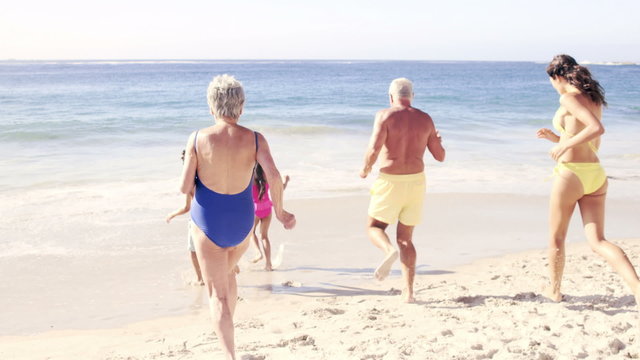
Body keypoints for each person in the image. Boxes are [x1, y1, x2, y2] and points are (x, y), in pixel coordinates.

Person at [179, 74, 296, 360]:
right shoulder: (255, 139)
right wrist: (280, 211)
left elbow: (184, 186)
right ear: (241, 107)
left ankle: (229, 355)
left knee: (216, 294)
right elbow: (275, 177)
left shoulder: (197, 138)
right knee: (229, 274)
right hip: (243, 224)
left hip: (208, 223)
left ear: (210, 107)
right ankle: (228, 329)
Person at [538, 54, 640, 304]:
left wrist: (563, 147)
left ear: (558, 76)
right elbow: (590, 140)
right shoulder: (594, 98)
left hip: (571, 174)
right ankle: (637, 288)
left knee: (556, 237)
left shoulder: (568, 97)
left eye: (551, 80)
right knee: (598, 241)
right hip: (595, 174)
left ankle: (555, 291)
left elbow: (596, 130)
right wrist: (556, 139)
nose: (553, 86)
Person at [360, 78, 445, 303]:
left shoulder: (385, 115)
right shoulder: (426, 118)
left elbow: (374, 148)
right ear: (412, 96)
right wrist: (438, 140)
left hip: (391, 180)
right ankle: (408, 292)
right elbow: (440, 156)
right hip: (416, 182)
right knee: (406, 239)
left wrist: (365, 169)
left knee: (374, 227)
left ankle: (388, 251)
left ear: (390, 97)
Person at [166, 150, 204, 286]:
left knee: (193, 251)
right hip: (211, 218)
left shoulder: (189, 184)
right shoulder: (206, 179)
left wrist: (173, 214)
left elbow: (187, 207)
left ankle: (200, 279)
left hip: (196, 220)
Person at [249, 164, 290, 271]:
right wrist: (286, 182)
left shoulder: (251, 180)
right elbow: (279, 190)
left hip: (256, 210)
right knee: (264, 236)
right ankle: (268, 264)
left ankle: (258, 253)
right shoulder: (267, 180)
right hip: (267, 209)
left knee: (251, 232)